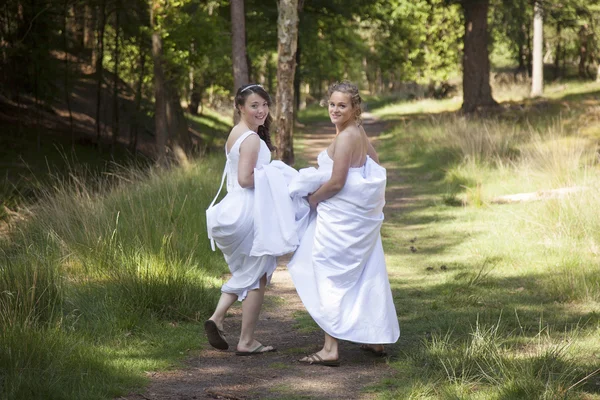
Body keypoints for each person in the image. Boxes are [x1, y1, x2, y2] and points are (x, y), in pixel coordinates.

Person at [287, 81, 400, 366]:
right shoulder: (357, 132)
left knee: (328, 274)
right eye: (332, 104)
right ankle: (375, 340)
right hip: (355, 218)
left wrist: (313, 199)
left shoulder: (348, 137)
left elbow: (337, 182)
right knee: (365, 273)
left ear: (354, 108)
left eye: (342, 105)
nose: (335, 109)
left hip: (339, 219)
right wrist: (360, 194)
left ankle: (330, 348)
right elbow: (373, 163)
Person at [204, 83, 278, 356]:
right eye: (254, 105)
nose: (261, 110)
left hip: (234, 208)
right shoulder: (251, 139)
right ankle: (246, 341)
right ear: (240, 107)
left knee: (247, 272)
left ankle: (217, 318)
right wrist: (277, 176)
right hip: (250, 211)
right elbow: (246, 179)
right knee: (257, 275)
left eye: (264, 105)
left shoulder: (237, 133)